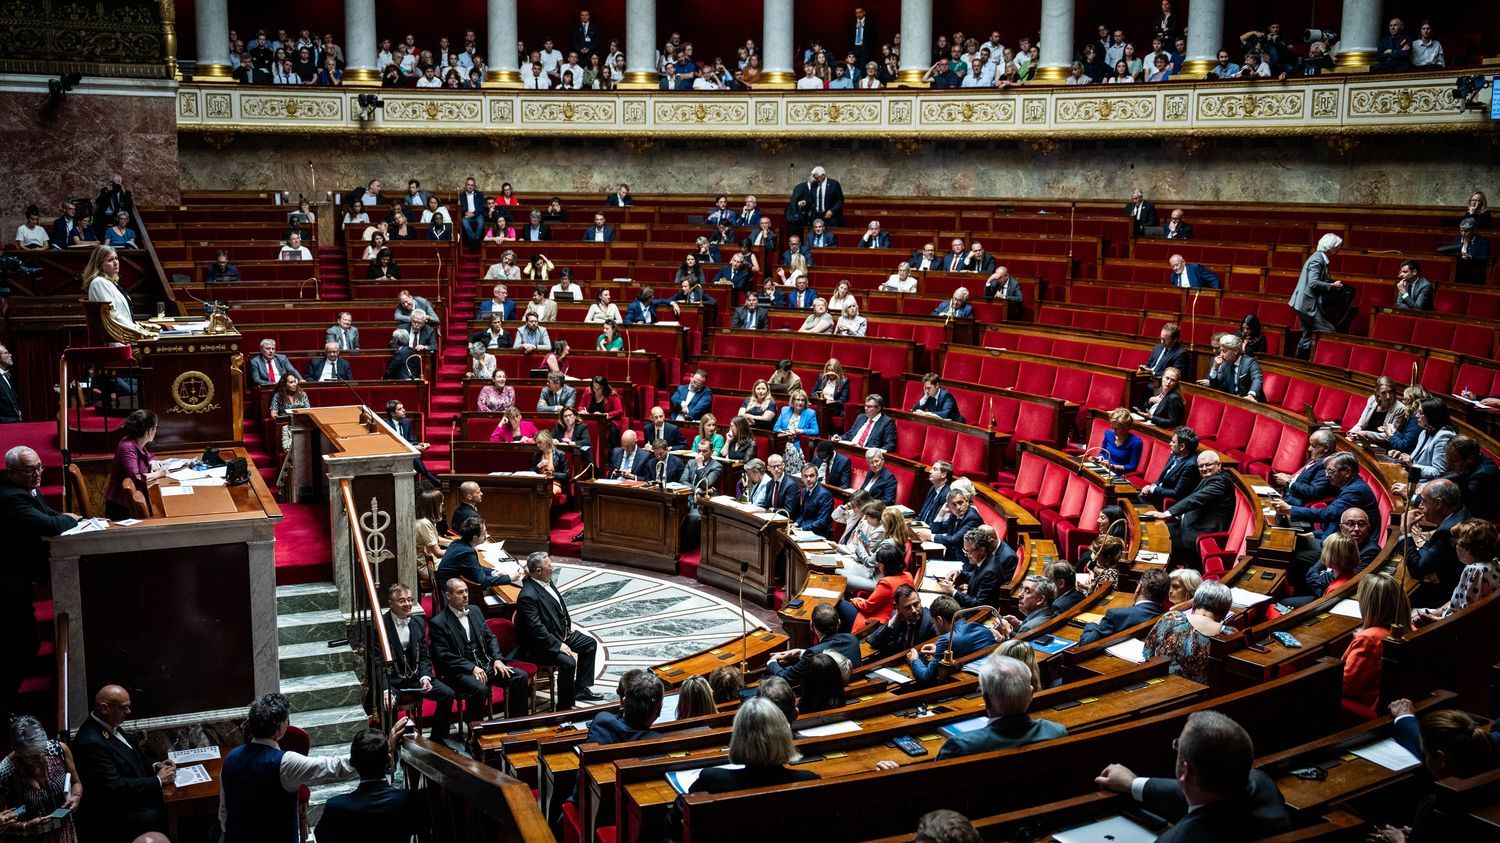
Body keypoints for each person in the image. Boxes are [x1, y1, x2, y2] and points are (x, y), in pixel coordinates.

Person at [218, 693, 405, 842]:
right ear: (280, 729)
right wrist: (383, 747)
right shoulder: (285, 763)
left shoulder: (230, 759)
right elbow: (334, 767)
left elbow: (224, 812)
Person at [1094, 711, 1291, 841]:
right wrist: (1132, 784)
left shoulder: (1179, 839)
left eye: (1177, 745)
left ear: (1185, 771)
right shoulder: (1263, 785)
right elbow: (1197, 800)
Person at [71, 684, 173, 840]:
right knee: (171, 812)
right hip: (119, 815)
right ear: (105, 708)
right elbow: (115, 787)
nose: (129, 712)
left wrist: (155, 766)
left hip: (134, 799)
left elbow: (132, 758)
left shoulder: (109, 724)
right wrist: (158, 780)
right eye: (124, 708)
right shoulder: (90, 742)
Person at [429, 578, 531, 720]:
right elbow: (444, 655)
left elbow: (490, 637)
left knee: (520, 677)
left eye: (466, 591)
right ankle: (476, 733)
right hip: (462, 672)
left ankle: (517, 724)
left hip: (487, 665)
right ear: (448, 596)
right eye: (460, 592)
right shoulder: (438, 623)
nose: (465, 595)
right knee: (480, 689)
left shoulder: (475, 611)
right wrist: (472, 668)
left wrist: (497, 659)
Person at [516, 553, 602, 708]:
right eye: (549, 566)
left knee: (589, 644)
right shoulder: (527, 595)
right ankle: (564, 705)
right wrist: (558, 645)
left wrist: (566, 628)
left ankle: (581, 688)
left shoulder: (545, 580)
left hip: (560, 634)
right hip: (541, 644)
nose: (552, 567)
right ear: (538, 571)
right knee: (568, 663)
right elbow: (536, 629)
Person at [376, 583, 456, 742]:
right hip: (394, 683)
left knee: (447, 694)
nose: (407, 604)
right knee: (386, 704)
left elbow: (425, 655)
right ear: (391, 604)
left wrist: (425, 677)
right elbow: (378, 663)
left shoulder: (418, 622)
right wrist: (386, 689)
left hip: (415, 678)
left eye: (409, 599)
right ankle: (392, 746)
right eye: (401, 601)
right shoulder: (380, 625)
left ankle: (438, 740)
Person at [312, 730, 421, 843]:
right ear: (388, 761)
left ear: (352, 762)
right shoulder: (407, 800)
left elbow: (322, 837)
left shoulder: (335, 807)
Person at [0, 715, 82, 841]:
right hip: (30, 838)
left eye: (42, 750)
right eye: (32, 757)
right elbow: (1, 823)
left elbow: (76, 782)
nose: (40, 758)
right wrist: (25, 827)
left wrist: (76, 796)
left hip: (64, 831)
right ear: (17, 751)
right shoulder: (5, 772)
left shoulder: (58, 750)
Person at [1142, 580, 1235, 683]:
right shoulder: (1230, 634)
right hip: (1203, 694)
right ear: (1225, 612)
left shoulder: (1171, 618)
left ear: (1195, 603)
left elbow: (1147, 652)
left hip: (1161, 684)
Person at [1413, 518, 1500, 625]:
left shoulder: (1475, 571)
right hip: (1450, 619)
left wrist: (1433, 620)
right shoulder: (1494, 563)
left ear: (1467, 548)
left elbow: (1467, 615)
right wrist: (1435, 613)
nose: (1456, 547)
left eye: (1456, 543)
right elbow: (1458, 601)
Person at [1404, 479, 1470, 608]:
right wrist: (1431, 566)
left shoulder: (1448, 530)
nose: (1420, 505)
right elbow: (1425, 562)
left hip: (1444, 597)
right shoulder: (1461, 512)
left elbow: (1417, 568)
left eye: (1423, 500)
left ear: (1438, 503)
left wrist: (1405, 532)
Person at [764, 602, 860, 685]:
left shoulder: (813, 654)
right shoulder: (852, 639)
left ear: (811, 626)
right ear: (839, 623)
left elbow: (786, 679)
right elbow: (832, 650)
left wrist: (772, 662)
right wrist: (801, 652)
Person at [84, 245, 158, 342]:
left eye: (116, 258)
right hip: (116, 341)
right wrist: (138, 330)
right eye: (110, 260)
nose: (115, 263)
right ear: (99, 264)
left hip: (124, 336)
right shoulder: (99, 283)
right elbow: (113, 315)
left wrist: (139, 326)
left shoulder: (110, 282)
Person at [1288, 233, 1345, 358]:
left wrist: (1330, 282)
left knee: (1306, 334)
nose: (1338, 250)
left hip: (1302, 304)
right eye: (1337, 247)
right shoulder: (1317, 259)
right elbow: (1313, 283)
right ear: (1329, 247)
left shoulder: (1319, 258)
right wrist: (1332, 286)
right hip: (1307, 304)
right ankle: (1326, 359)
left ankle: (1300, 361)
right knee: (1329, 331)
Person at [1080, 568, 1169, 645]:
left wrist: (1093, 623)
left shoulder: (1115, 615)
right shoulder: (1167, 616)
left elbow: (1085, 643)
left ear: (1139, 587)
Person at [101, 409, 162, 519]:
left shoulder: (136, 442)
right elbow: (137, 476)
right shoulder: (127, 447)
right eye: (155, 428)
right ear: (148, 431)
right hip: (121, 507)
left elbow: (149, 456)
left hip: (131, 503)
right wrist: (158, 474)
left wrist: (153, 463)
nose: (156, 431)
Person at [1201, 334, 1264, 401]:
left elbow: (1257, 379)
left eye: (1224, 351)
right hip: (1233, 402)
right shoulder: (1225, 364)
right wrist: (1214, 368)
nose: (1221, 354)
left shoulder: (1249, 362)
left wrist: (1251, 395)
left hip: (1251, 402)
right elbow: (1215, 385)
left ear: (1235, 351)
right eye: (1221, 350)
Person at [1100, 407, 1143, 473]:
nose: (1114, 431)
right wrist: (1101, 457)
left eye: (1117, 429)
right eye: (1112, 427)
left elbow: (1132, 466)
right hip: (1102, 468)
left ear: (1126, 428)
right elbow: (1102, 452)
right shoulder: (1108, 433)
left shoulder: (1136, 442)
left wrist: (1112, 466)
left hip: (1117, 474)